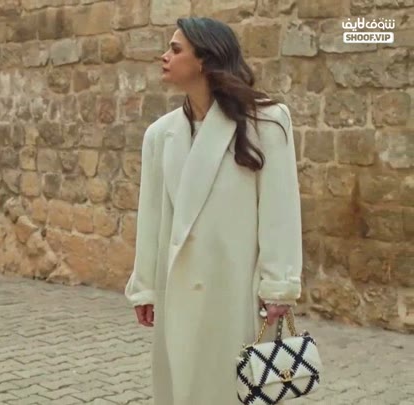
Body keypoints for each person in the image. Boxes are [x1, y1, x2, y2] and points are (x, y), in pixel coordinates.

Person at [124, 17, 303, 404]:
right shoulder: (160, 134)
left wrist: (278, 286)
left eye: (175, 49)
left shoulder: (266, 121)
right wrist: (145, 287)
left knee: (231, 388)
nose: (164, 56)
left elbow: (280, 210)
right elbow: (151, 216)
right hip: (178, 292)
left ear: (204, 59)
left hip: (235, 289)